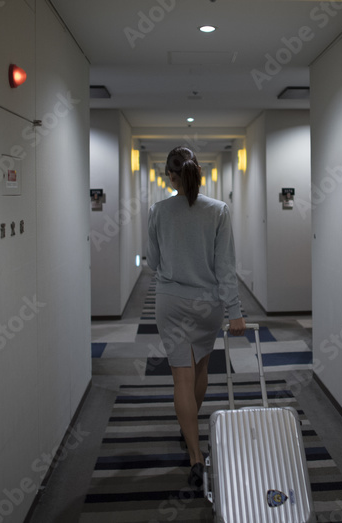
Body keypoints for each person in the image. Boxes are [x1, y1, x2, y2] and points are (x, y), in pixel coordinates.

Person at [147, 146, 246, 491]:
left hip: (171, 302)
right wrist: (235, 311)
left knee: (180, 380)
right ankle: (189, 421)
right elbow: (226, 267)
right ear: (198, 173)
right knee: (201, 370)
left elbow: (152, 262)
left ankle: (194, 455)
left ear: (171, 176)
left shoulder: (158, 211)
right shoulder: (219, 210)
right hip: (208, 305)